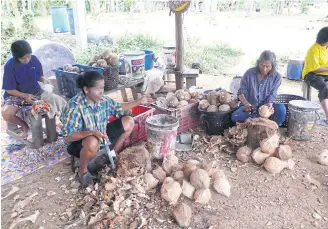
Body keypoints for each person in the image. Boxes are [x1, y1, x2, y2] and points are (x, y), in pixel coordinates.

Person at [60, 70, 152, 186]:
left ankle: (113, 154)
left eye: (102, 88)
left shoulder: (103, 100)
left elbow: (119, 107)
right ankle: (83, 172)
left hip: (101, 135)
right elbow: (68, 136)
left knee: (129, 121)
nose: (101, 92)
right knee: (93, 141)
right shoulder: (74, 106)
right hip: (78, 143)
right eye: (98, 89)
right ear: (86, 90)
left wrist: (138, 102)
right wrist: (91, 132)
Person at [2, 40, 48, 139]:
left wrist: (44, 80)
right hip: (16, 95)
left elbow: (39, 76)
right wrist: (24, 96)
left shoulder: (34, 59)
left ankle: (50, 131)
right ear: (16, 57)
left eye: (29, 56)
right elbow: (9, 89)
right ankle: (24, 125)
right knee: (6, 113)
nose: (27, 60)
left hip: (34, 91)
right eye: (24, 58)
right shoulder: (10, 66)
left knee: (53, 103)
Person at [231, 50, 286, 126]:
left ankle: (265, 125)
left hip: (265, 106)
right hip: (251, 107)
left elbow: (273, 94)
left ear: (273, 66)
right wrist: (246, 104)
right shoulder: (249, 73)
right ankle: (262, 121)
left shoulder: (277, 77)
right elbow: (241, 92)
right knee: (235, 116)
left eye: (268, 66)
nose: (264, 69)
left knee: (281, 110)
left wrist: (268, 106)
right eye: (262, 65)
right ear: (258, 63)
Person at [302, 26, 328, 127]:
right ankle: (327, 116)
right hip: (311, 74)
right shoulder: (314, 50)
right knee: (324, 87)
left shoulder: (326, 47)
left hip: (325, 73)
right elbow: (315, 68)